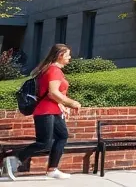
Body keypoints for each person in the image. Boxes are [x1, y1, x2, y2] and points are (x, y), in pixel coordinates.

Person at [3, 43, 82, 181]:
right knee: (44, 142)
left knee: (62, 136)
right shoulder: (53, 70)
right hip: (45, 112)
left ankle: (52, 169)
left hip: (53, 110)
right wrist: (72, 103)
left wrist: (61, 105)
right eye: (68, 55)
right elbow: (53, 93)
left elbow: (51, 94)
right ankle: (13, 160)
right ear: (60, 55)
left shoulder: (51, 69)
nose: (70, 58)